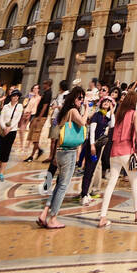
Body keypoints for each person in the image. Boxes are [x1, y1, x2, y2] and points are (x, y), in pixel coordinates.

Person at [37, 87, 85, 229]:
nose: (81, 101)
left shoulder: (64, 111)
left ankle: (44, 212)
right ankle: (53, 218)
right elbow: (82, 123)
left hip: (60, 150)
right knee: (63, 186)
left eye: (82, 98)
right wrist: (87, 109)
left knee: (58, 185)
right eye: (79, 98)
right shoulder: (73, 111)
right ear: (73, 98)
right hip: (68, 152)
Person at [98, 89, 137, 227]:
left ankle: (103, 216)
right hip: (127, 150)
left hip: (114, 152)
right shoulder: (134, 114)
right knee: (134, 181)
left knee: (111, 183)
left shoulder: (119, 113)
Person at [80, 93, 114, 205]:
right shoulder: (97, 115)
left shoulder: (106, 117)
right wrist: (92, 145)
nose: (106, 103)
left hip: (99, 146)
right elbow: (92, 131)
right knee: (88, 170)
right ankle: (83, 194)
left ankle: (86, 193)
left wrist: (112, 111)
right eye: (105, 101)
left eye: (109, 102)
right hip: (92, 145)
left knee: (92, 169)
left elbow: (112, 125)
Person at [0, 90, 23, 181]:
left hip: (12, 131)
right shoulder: (6, 106)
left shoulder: (20, 106)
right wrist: (4, 127)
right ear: (11, 97)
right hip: (3, 131)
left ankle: (1, 173)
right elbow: (1, 118)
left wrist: (9, 128)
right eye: (14, 96)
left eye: (17, 96)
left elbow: (17, 119)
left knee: (6, 151)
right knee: (0, 151)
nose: (15, 97)